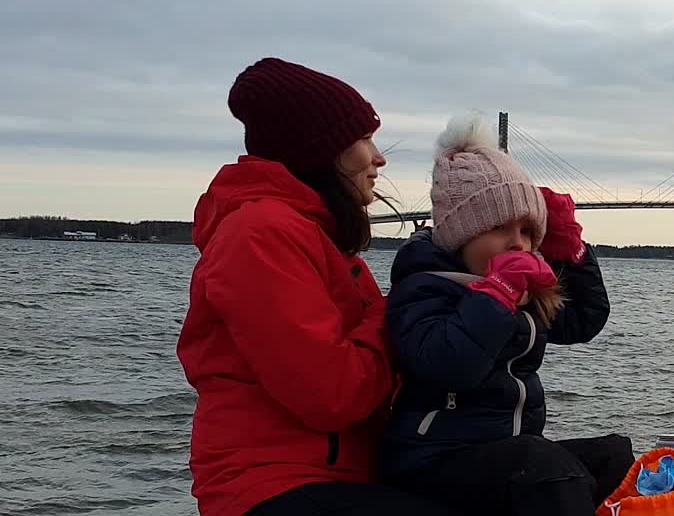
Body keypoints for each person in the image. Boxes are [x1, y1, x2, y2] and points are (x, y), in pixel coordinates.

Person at [176, 57, 459, 516]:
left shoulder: (316, 237)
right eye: (364, 138)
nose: (379, 157)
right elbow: (334, 395)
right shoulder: (260, 234)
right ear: (321, 151)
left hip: (336, 477)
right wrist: (396, 311)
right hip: (270, 486)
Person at [379, 114, 633, 516]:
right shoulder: (425, 286)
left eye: (528, 231)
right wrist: (497, 295)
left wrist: (574, 252)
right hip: (432, 460)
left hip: (504, 453)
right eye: (500, 228)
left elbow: (584, 319)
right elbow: (447, 364)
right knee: (546, 469)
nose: (518, 243)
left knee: (614, 457)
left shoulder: (520, 294)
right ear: (460, 234)